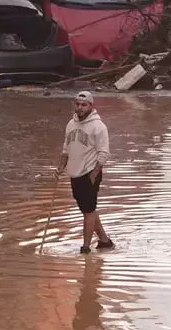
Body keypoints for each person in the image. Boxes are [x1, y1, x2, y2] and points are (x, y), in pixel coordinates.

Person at [55, 91, 114, 254]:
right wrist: (61, 167)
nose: (80, 108)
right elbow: (66, 149)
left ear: (91, 106)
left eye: (84, 105)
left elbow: (104, 153)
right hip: (74, 173)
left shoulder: (98, 127)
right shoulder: (70, 124)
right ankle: (104, 241)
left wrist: (93, 175)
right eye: (78, 104)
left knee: (88, 211)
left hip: (89, 173)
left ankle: (85, 248)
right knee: (88, 209)